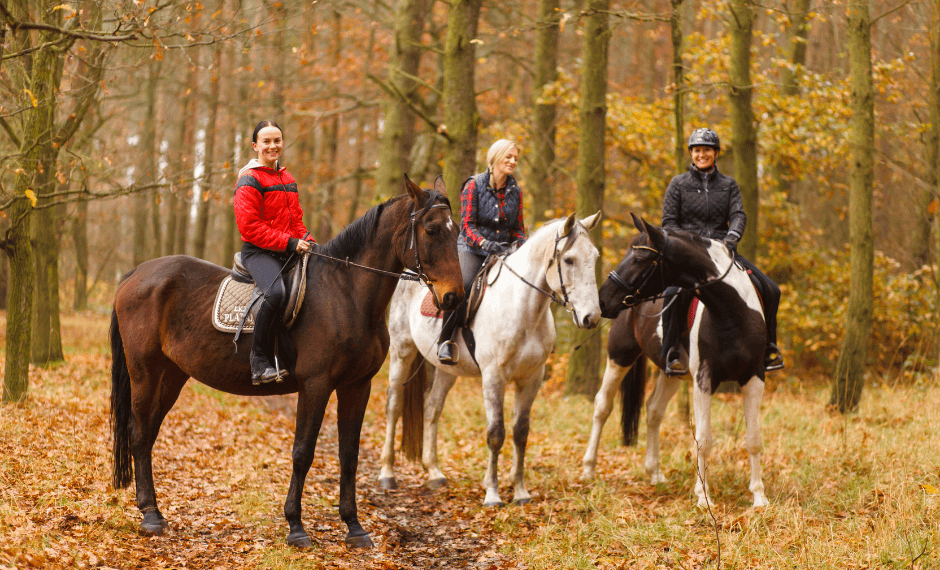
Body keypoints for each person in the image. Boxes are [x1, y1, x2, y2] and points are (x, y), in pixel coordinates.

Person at [660, 127, 784, 376]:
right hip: (690, 255)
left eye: (707, 150)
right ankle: (671, 351)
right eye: (697, 150)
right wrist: (688, 244)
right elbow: (669, 223)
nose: (701, 154)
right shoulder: (677, 185)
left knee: (771, 289)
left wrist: (731, 238)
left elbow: (738, 214)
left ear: (716, 153)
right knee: (674, 292)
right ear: (691, 154)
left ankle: (769, 347)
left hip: (723, 252)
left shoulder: (729, 185)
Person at [234, 120, 316, 385]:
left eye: (277, 140)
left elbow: (297, 223)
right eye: (266, 141)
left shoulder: (287, 178)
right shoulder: (250, 179)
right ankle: (259, 362)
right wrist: (290, 243)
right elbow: (249, 228)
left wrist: (309, 241)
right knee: (276, 292)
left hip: (286, 249)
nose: (273, 146)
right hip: (258, 253)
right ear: (255, 146)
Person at [437, 139, 527, 365]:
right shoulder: (473, 185)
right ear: (495, 157)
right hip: (472, 249)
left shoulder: (516, 191)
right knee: (462, 286)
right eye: (509, 157)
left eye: (515, 158)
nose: (513, 161)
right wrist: (485, 244)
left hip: (504, 252)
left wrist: (524, 245)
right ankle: (445, 342)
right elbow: (467, 226)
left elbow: (517, 229)